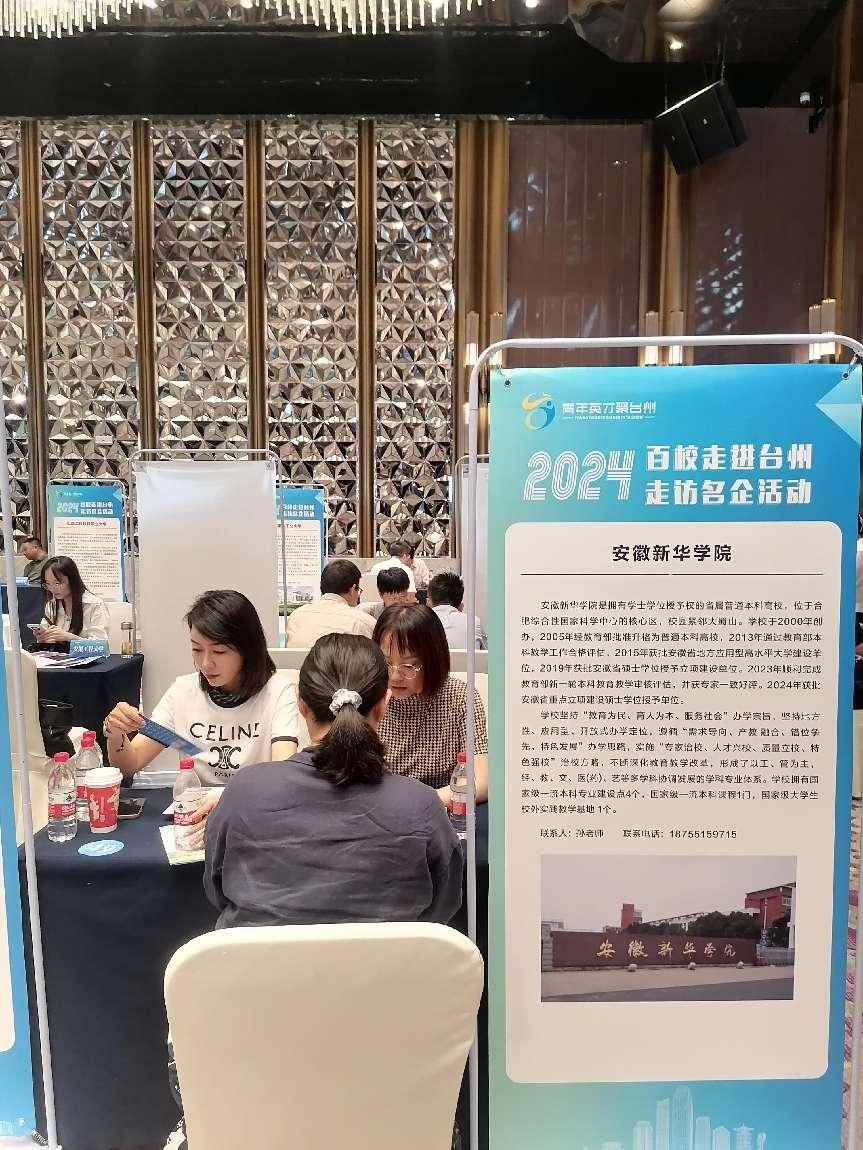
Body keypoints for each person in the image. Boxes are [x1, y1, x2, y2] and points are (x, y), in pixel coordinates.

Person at [204, 632, 463, 928]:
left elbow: (217, 889)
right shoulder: (422, 807)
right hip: (391, 961)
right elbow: (442, 909)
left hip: (256, 960)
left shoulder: (243, 793)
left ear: (301, 703)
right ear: (383, 704)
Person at [103, 589, 299, 843]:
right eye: (197, 649)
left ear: (248, 649)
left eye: (219, 652)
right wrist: (116, 734)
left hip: (253, 816)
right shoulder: (184, 693)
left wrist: (229, 798)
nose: (206, 663)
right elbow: (130, 764)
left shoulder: (277, 692)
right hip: (194, 816)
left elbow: (282, 775)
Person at [374, 604, 488, 805]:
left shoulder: (460, 697)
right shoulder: (371, 695)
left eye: (409, 665)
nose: (395, 676)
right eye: (387, 662)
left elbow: (481, 781)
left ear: (433, 659)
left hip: (442, 807)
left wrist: (419, 803)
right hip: (382, 808)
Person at [284, 559, 375, 646]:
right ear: (352, 589)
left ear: (321, 585)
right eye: (358, 590)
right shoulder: (364, 622)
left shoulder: (296, 616)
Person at [33, 555, 109, 645]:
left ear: (72, 580)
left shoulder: (94, 604)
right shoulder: (51, 605)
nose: (52, 589)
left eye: (57, 583)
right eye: (48, 584)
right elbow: (47, 638)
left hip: (85, 655)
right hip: (57, 654)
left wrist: (70, 638)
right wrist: (43, 639)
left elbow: (101, 645)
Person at [427, 571, 487, 651]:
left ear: (428, 603)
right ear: (461, 606)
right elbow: (485, 655)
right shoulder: (474, 623)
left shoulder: (419, 624)